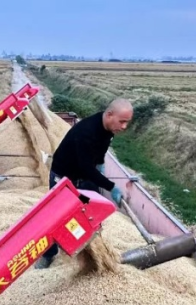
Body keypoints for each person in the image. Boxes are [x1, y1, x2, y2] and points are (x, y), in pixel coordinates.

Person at [34, 97, 134, 269]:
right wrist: (111, 187)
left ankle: (90, 252)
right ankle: (48, 255)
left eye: (127, 122)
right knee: (57, 216)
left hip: (84, 177)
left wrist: (100, 166)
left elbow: (101, 150)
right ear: (110, 115)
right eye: (122, 121)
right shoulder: (86, 132)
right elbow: (87, 168)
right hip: (64, 178)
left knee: (90, 213)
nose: (124, 126)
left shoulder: (109, 129)